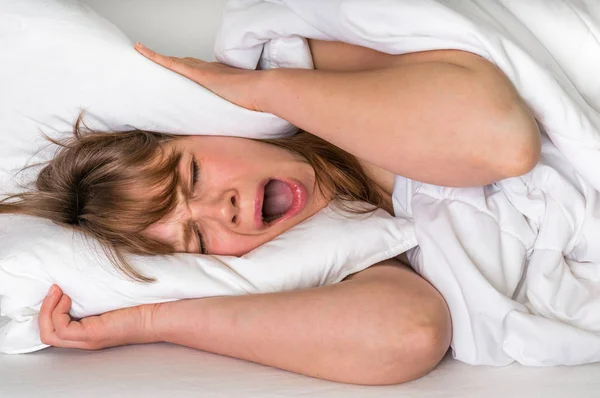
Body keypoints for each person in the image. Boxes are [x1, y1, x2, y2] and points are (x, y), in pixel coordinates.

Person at [0, 39, 540, 385]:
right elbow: (410, 333)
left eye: (191, 176)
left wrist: (258, 91)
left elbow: (504, 144)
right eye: (199, 240)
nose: (224, 209)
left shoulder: (306, 67)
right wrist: (149, 320)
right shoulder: (350, 248)